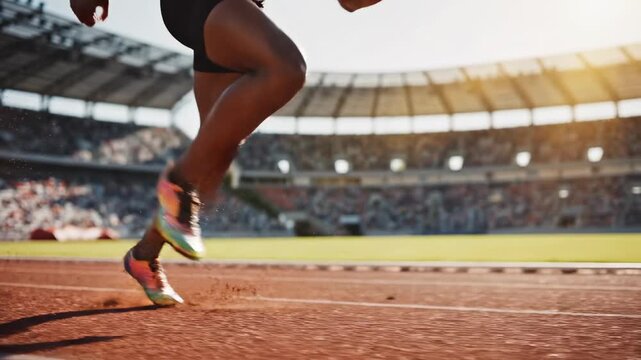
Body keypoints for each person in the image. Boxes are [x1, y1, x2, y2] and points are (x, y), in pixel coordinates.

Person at [69, 0, 383, 305]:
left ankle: (144, 256)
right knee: (286, 69)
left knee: (217, 151)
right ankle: (177, 185)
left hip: (233, 10)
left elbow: (350, 2)